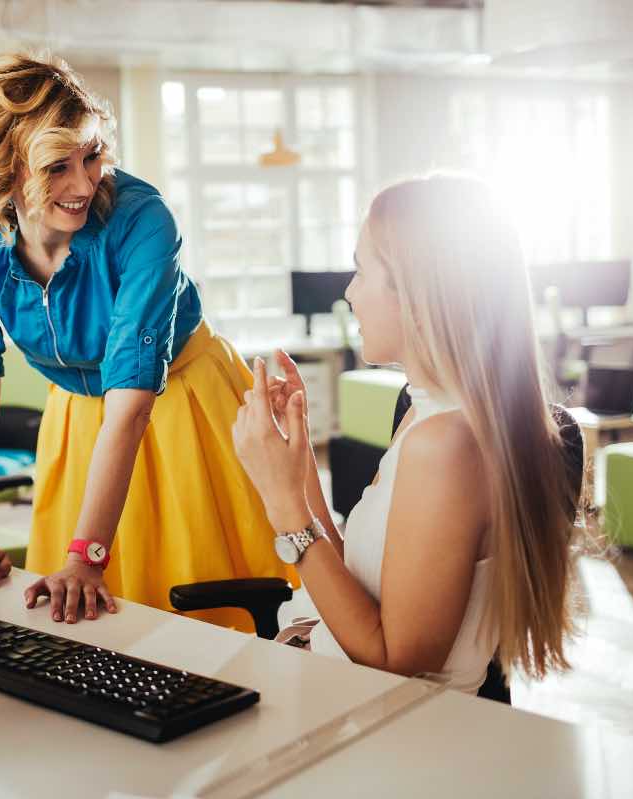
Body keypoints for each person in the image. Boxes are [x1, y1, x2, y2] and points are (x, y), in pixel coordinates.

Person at [0, 53, 296, 629]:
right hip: (79, 413)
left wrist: (88, 556)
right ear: (7, 171)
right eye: (58, 166)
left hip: (176, 401)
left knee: (194, 612)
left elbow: (131, 404)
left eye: (92, 154)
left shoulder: (144, 221)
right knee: (79, 618)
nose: (84, 183)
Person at [232, 174, 583, 691]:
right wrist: (298, 450)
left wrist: (282, 505)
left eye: (361, 271)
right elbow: (355, 576)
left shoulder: (446, 444)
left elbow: (396, 659)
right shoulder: (426, 413)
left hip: (390, 728)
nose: (349, 292)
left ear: (417, 293)